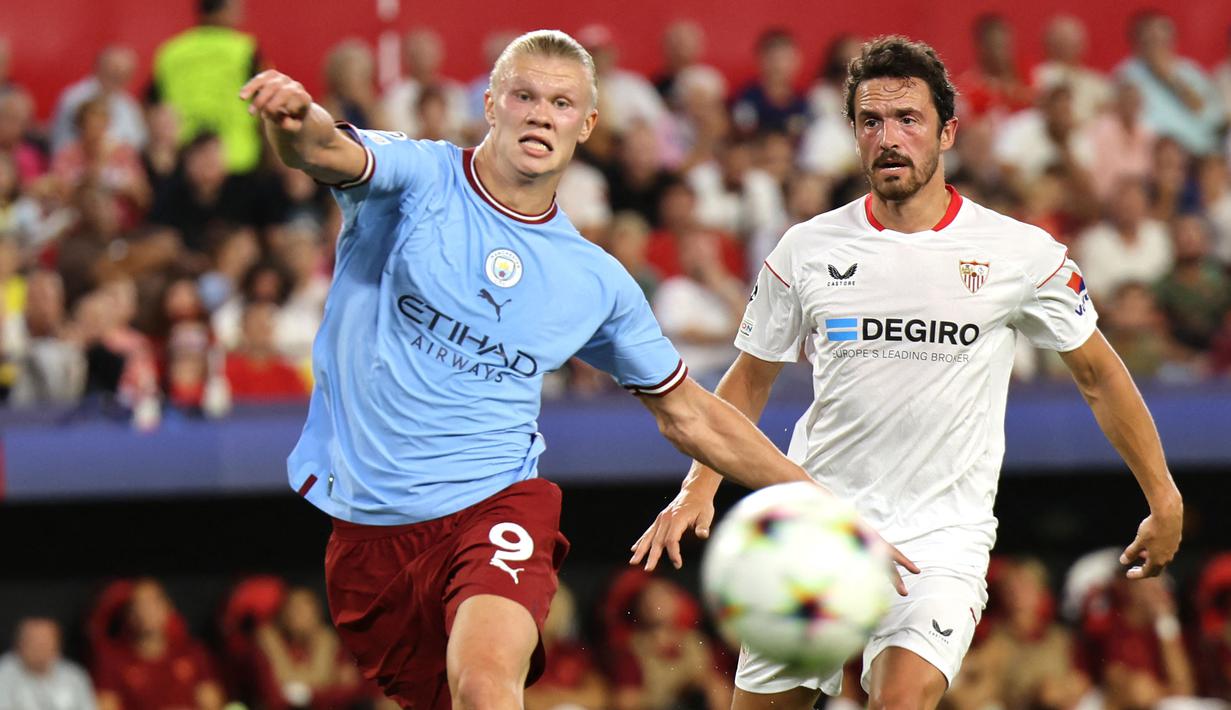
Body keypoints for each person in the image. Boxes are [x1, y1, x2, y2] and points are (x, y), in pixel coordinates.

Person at [240, 29, 913, 710]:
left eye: (561, 103)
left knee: (482, 686)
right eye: (524, 95)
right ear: (492, 105)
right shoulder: (416, 176)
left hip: (494, 506)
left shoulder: (595, 282)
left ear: (586, 123)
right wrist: (295, 119)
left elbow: (689, 413)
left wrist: (827, 509)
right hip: (368, 535)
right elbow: (324, 147)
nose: (540, 113)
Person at [631, 35, 1184, 710]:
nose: (888, 138)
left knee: (901, 698)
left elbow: (1099, 374)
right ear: (853, 134)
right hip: (818, 525)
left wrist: (1163, 495)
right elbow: (747, 381)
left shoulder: (1018, 253)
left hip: (941, 535)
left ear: (946, 131)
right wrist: (697, 488)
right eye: (870, 122)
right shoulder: (805, 250)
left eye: (907, 120)